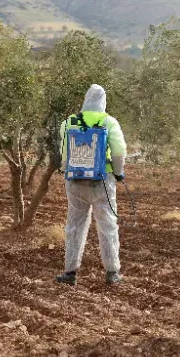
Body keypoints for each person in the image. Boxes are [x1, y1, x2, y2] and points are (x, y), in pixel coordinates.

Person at [54, 84, 127, 287]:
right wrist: (119, 173)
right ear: (103, 101)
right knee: (107, 225)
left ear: (86, 100)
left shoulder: (69, 122)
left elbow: (64, 154)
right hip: (102, 183)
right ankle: (112, 272)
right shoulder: (109, 122)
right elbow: (119, 151)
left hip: (75, 182)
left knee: (74, 225)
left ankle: (70, 272)